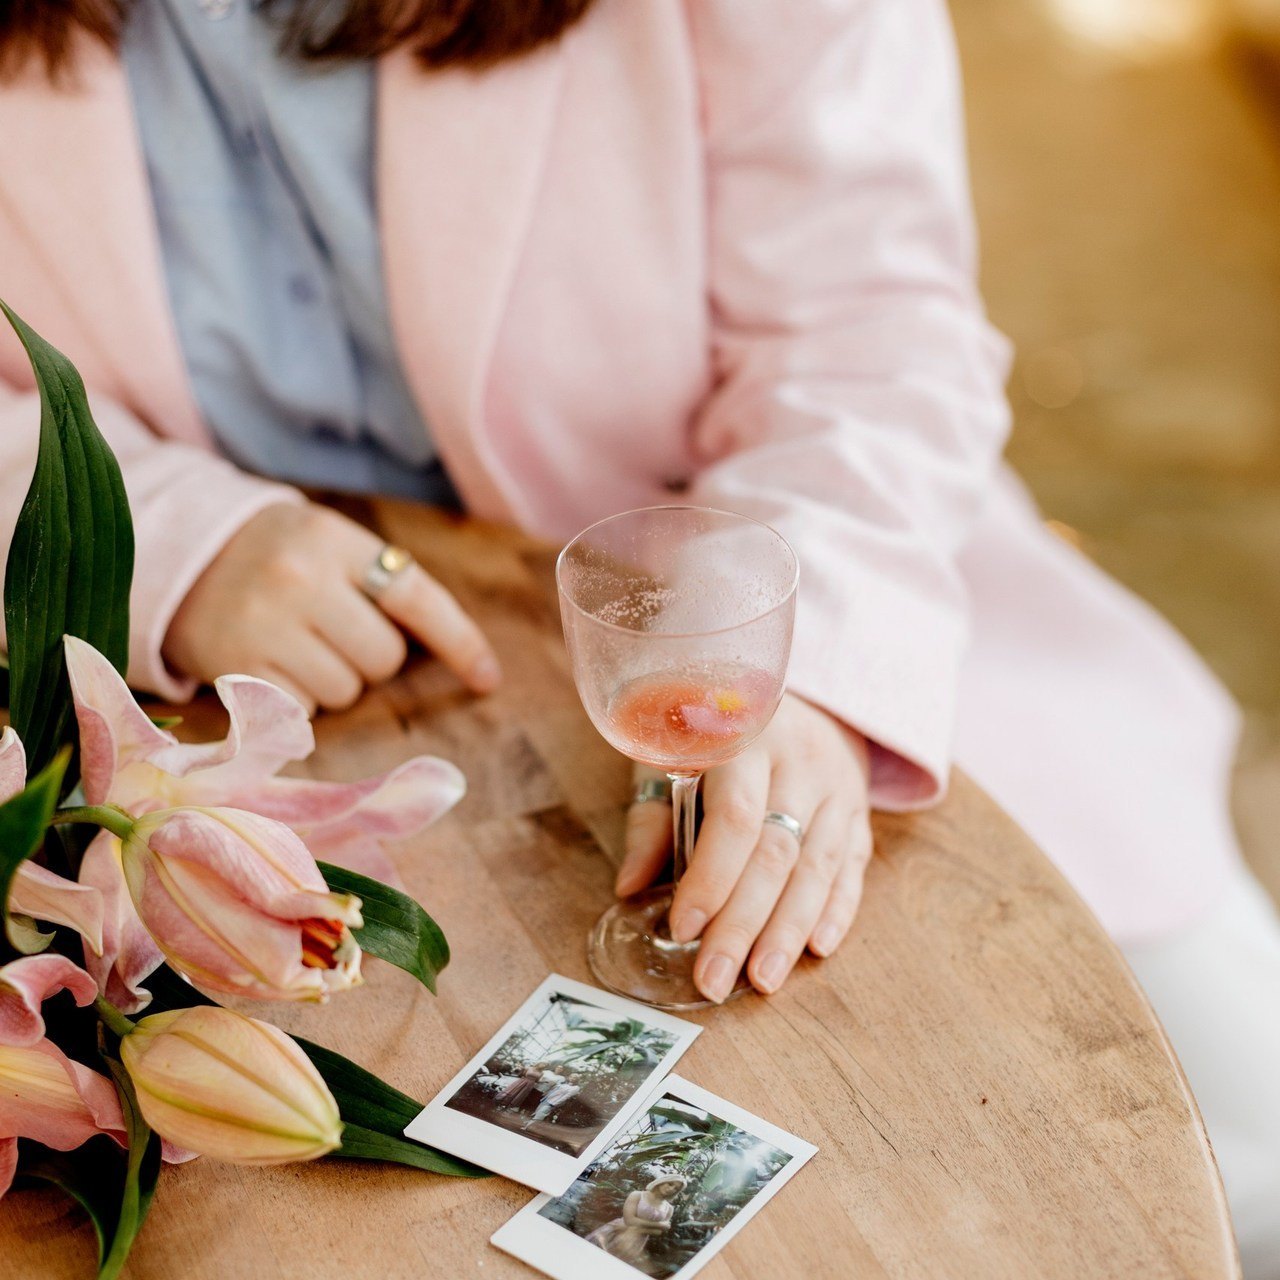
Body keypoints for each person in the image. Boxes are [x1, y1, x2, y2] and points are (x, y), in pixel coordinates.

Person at [0, 2, 1276, 1270]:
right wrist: (157, 529)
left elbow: (870, 326)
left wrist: (810, 658)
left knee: (1245, 1131)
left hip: (815, 588)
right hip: (189, 723)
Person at [585, 1173, 685, 1266]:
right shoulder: (637, 1195)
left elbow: (657, 1232)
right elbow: (630, 1220)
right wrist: (661, 1224)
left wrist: (635, 1229)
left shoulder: (669, 1208)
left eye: (675, 1189)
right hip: (616, 1231)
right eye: (670, 1184)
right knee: (589, 1258)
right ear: (662, 1181)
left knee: (610, 1266)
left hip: (635, 1240)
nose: (671, 1189)